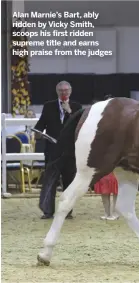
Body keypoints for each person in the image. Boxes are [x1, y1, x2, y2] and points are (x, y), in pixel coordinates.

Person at [34, 81, 82, 219]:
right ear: (57, 92)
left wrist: (69, 112)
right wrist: (37, 133)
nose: (63, 93)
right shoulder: (48, 106)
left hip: (70, 151)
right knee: (50, 181)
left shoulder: (77, 107)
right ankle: (47, 211)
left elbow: (79, 125)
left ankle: (67, 211)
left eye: (66, 90)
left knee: (69, 182)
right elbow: (41, 124)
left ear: (70, 91)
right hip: (52, 150)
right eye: (61, 91)